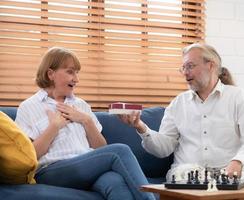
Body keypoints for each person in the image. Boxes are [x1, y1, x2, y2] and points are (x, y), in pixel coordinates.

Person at [15, 47, 155, 200]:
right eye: (70, 72)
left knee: (115, 183)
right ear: (51, 74)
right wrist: (54, 127)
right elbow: (30, 156)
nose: (76, 79)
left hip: (88, 167)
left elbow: (101, 148)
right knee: (120, 151)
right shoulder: (28, 107)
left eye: (77, 73)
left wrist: (86, 120)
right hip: (52, 171)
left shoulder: (81, 105)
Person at [119, 43, 244, 181]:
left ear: (210, 65)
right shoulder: (179, 103)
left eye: (190, 66)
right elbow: (163, 148)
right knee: (182, 173)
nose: (185, 72)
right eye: (183, 68)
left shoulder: (238, 97)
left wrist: (238, 161)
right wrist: (140, 126)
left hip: (230, 172)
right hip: (189, 172)